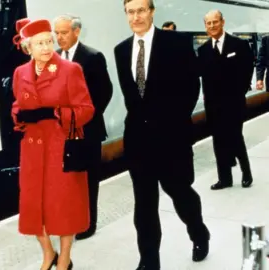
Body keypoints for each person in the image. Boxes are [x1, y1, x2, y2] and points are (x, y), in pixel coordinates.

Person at [113, 0, 210, 268]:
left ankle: (199, 233)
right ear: (126, 15)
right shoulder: (120, 50)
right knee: (144, 205)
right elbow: (132, 98)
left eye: (141, 10)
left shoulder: (176, 43)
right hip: (138, 142)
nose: (136, 16)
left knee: (180, 193)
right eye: (131, 12)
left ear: (152, 12)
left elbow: (192, 87)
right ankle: (149, 260)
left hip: (171, 139)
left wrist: (173, 125)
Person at [11, 18, 94, 270]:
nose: (47, 48)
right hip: (33, 150)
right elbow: (17, 105)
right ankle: (48, 252)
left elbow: (86, 109)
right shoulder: (20, 73)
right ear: (28, 48)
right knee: (34, 207)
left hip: (61, 148)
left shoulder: (70, 69)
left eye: (49, 41)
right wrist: (20, 116)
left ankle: (65, 258)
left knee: (64, 207)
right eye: (40, 44)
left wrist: (55, 113)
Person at [53, 13, 113, 240]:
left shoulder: (93, 57)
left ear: (76, 32)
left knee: (88, 179)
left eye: (64, 32)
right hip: (63, 132)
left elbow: (104, 92)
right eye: (56, 33)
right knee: (68, 179)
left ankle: (89, 223)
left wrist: (84, 117)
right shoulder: (54, 58)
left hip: (87, 130)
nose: (59, 37)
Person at [197, 10, 254, 190]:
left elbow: (247, 70)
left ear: (223, 22)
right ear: (205, 26)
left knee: (236, 137)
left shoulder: (239, 45)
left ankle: (246, 173)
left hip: (234, 103)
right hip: (213, 106)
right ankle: (225, 178)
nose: (212, 26)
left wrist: (239, 93)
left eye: (215, 22)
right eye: (209, 23)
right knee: (218, 140)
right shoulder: (203, 50)